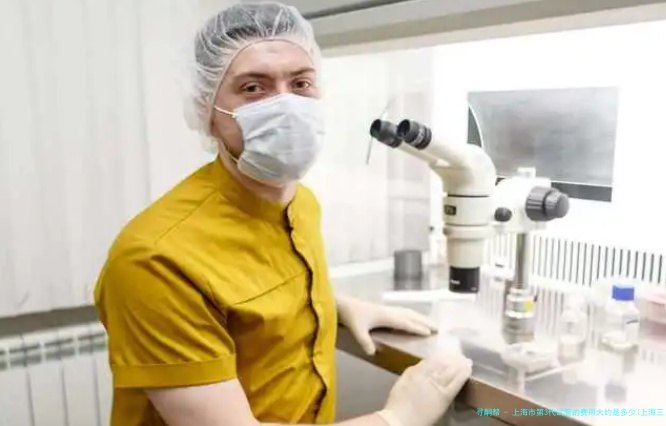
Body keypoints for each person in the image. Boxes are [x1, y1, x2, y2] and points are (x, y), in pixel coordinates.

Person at [94, 3, 473, 426]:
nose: (286, 105)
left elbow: (252, 287)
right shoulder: (153, 260)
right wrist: (400, 417)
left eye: (301, 83)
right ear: (208, 112)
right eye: (253, 87)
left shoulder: (302, 204)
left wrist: (332, 306)